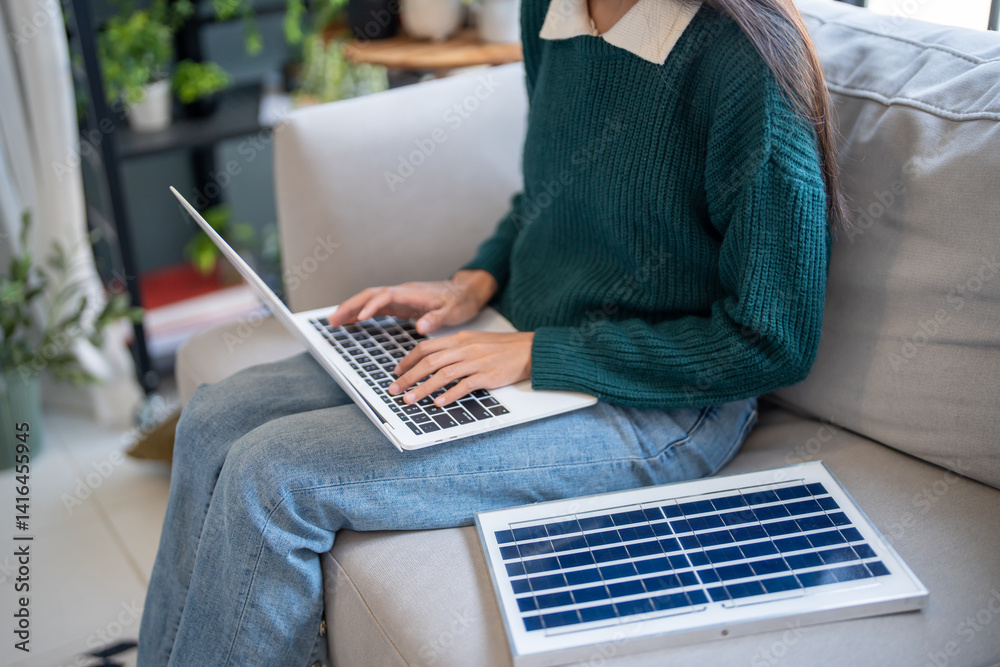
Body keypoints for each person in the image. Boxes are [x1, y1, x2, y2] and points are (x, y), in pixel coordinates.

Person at [138, 0, 849, 663]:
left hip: (661, 406)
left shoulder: (744, 68)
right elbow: (546, 199)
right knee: (213, 416)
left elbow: (772, 339)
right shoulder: (553, 11)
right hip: (517, 337)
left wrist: (539, 353)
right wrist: (471, 283)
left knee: (274, 478)